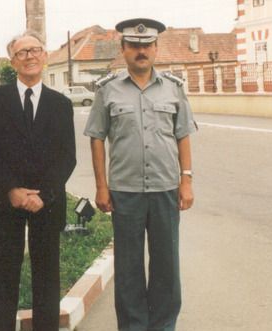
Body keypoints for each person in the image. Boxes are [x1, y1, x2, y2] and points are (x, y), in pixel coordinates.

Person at [84, 18, 197, 331]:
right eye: (134, 45)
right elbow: (96, 137)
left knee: (166, 267)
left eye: (147, 45)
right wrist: (101, 187)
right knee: (129, 268)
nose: (141, 50)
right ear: (122, 50)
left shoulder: (173, 89)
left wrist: (186, 180)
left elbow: (183, 134)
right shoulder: (108, 91)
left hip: (165, 189)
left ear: (156, 49)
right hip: (125, 191)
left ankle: (162, 326)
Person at [0, 30, 76, 330]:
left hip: (47, 203)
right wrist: (12, 190)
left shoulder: (60, 104)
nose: (30, 56)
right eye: (22, 52)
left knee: (47, 278)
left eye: (35, 50)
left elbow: (67, 157)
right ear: (12, 62)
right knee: (5, 276)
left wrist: (43, 194)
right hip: (7, 202)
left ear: (44, 57)